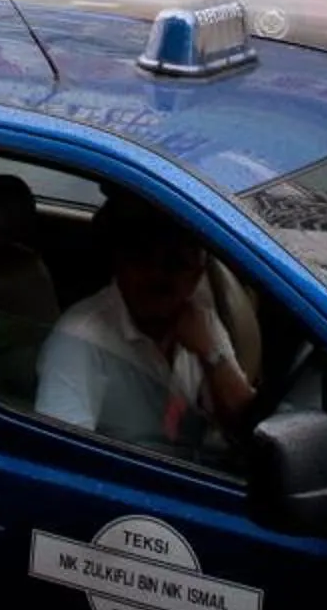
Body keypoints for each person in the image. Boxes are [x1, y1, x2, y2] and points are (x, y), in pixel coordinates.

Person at [34, 193, 254, 462]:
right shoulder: (81, 338)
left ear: (197, 274)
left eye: (176, 264)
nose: (158, 275)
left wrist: (212, 356)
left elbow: (246, 426)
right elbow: (60, 458)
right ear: (120, 263)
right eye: (143, 259)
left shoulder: (200, 320)